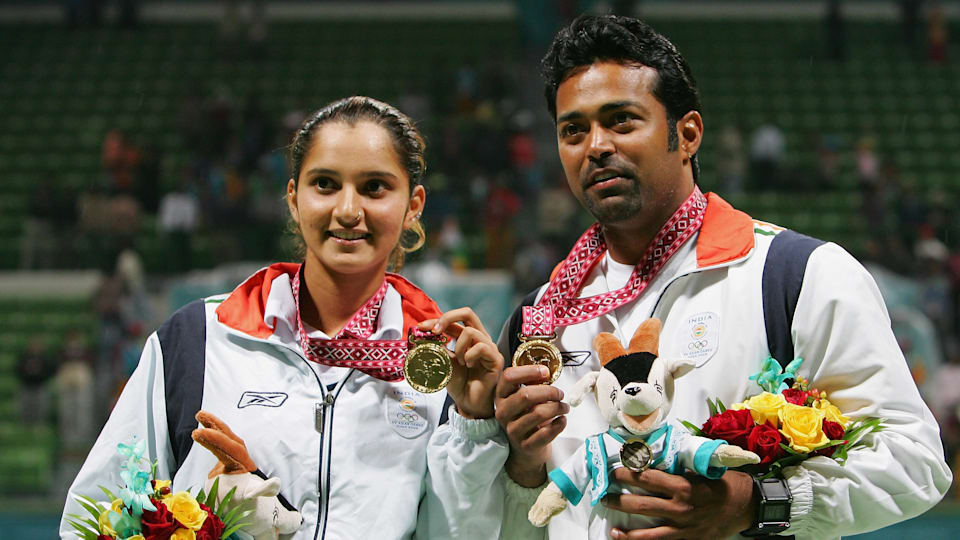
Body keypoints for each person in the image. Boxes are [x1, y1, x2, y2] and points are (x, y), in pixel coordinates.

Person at [493, 15, 951, 540]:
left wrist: (757, 503)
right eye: (572, 130)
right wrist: (519, 469)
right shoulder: (539, 318)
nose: (595, 145)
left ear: (687, 134)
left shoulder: (797, 275)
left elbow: (915, 461)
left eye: (621, 121)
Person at [60, 96, 508, 539]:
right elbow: (96, 516)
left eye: (374, 187)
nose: (347, 210)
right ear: (293, 198)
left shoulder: (446, 368)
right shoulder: (198, 340)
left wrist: (474, 423)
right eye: (325, 184)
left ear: (413, 205)